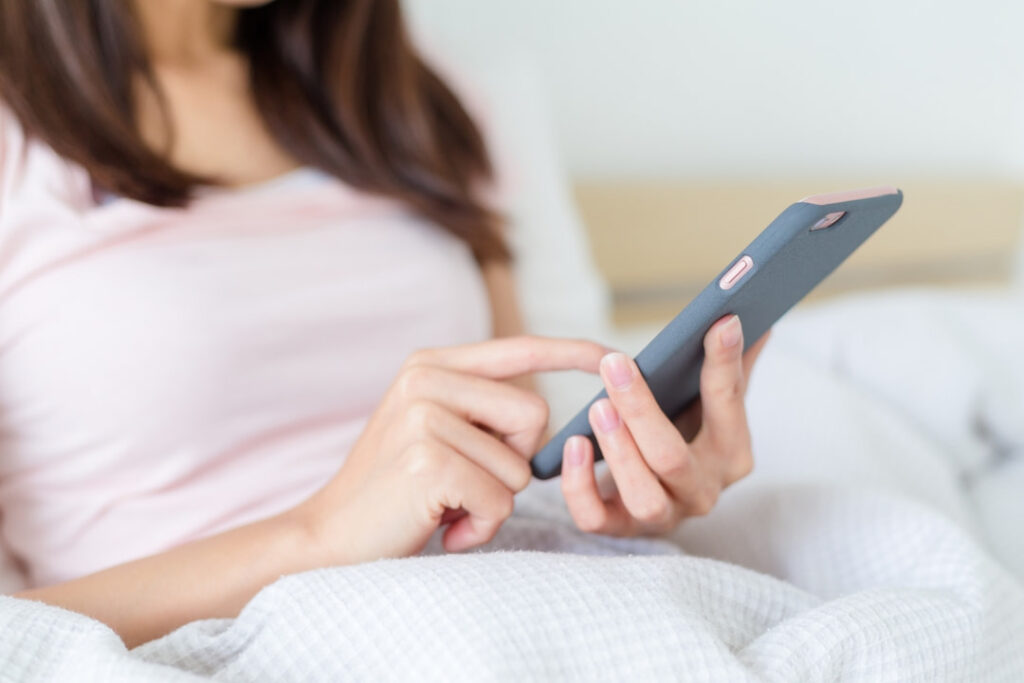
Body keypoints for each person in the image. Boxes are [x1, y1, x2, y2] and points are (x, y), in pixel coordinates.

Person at [0, 0, 767, 647]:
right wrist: (321, 535)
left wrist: (625, 494)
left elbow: (518, 448)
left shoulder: (421, 108)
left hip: (521, 603)